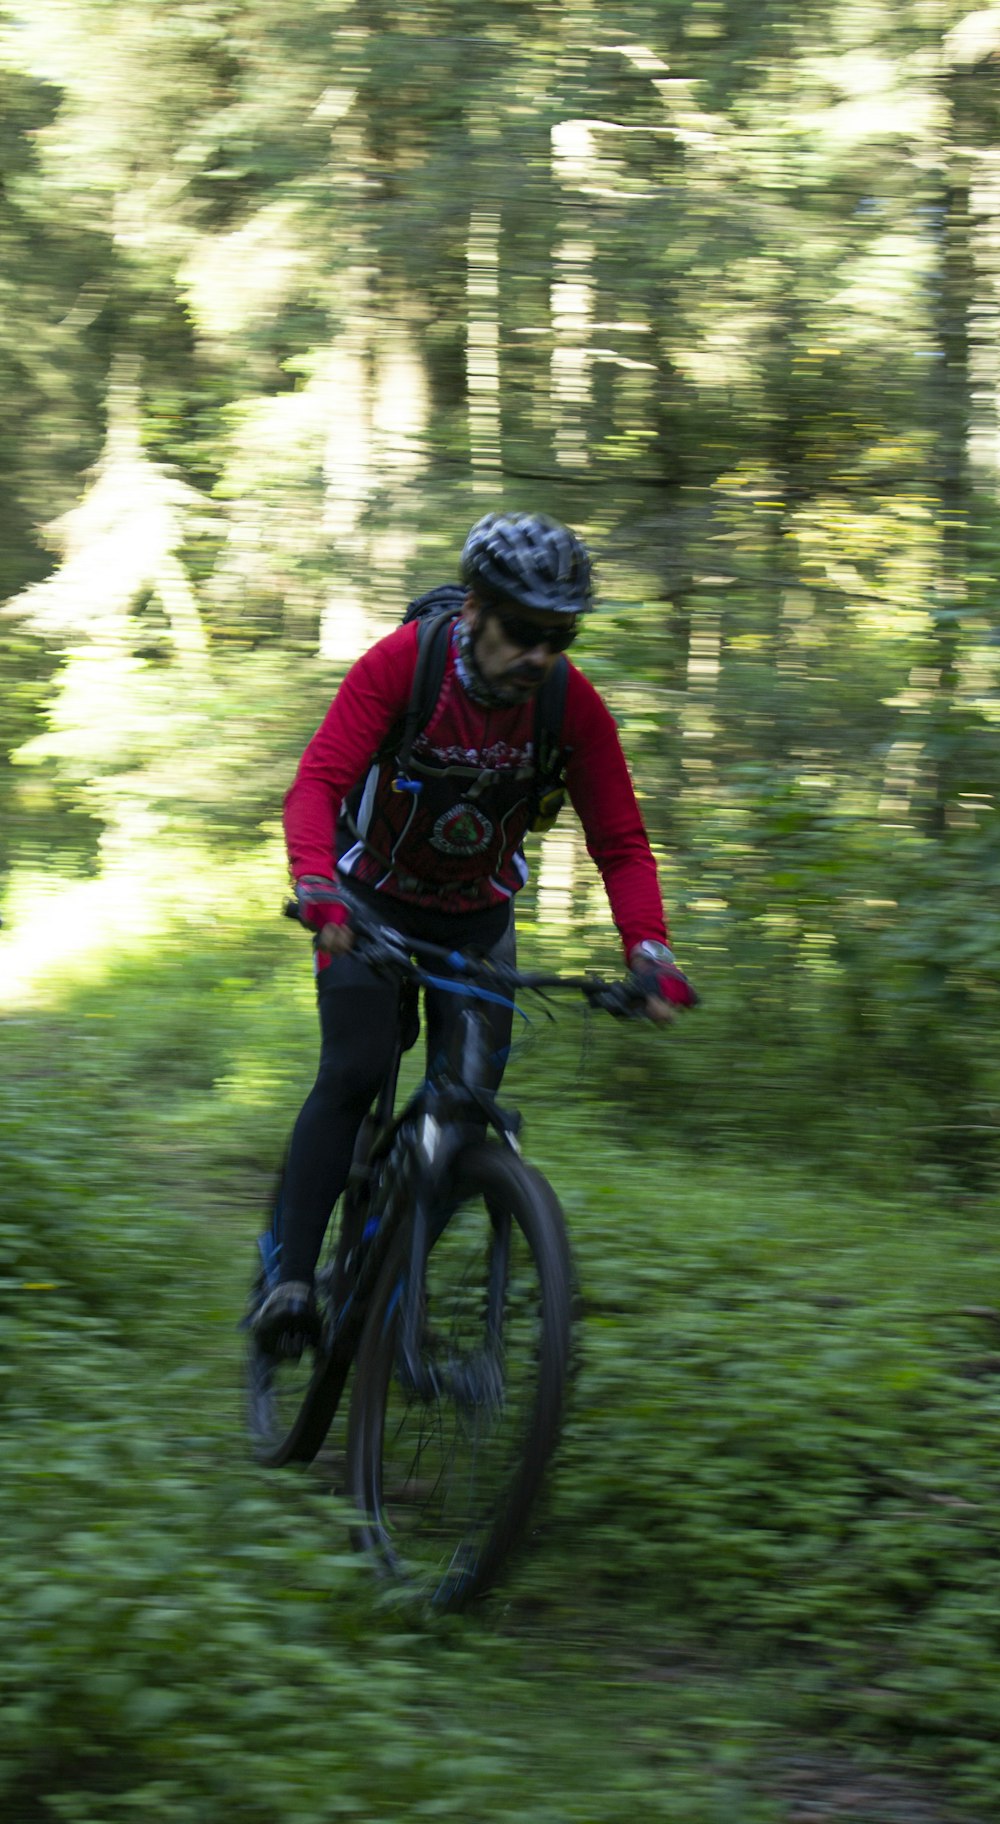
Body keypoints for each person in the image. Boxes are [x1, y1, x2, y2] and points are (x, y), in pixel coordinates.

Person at [254, 512, 697, 1352]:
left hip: (476, 921)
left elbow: (620, 841)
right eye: (524, 632)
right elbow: (317, 782)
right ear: (474, 612)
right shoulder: (403, 667)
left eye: (559, 636)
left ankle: (396, 1277)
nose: (540, 654)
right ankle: (290, 1282)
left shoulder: (570, 705)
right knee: (353, 1073)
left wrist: (650, 952)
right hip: (367, 905)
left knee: (465, 1113)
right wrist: (318, 887)